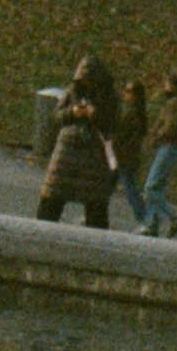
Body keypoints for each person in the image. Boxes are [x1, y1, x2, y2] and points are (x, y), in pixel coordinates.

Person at [37, 53, 117, 226]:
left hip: (94, 153)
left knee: (96, 202)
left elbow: (113, 122)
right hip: (68, 151)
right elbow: (57, 116)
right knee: (52, 196)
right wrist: (73, 113)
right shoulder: (72, 91)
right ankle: (42, 230)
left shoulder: (109, 96)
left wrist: (94, 114)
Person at [140, 71, 177, 237]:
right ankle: (152, 224)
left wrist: (156, 137)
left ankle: (173, 217)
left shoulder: (173, 104)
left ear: (172, 85)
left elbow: (170, 127)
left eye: (166, 83)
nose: (164, 87)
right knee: (158, 187)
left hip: (168, 147)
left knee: (150, 188)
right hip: (171, 147)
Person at [109, 79, 148, 226]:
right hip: (123, 156)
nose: (126, 94)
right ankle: (94, 211)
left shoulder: (132, 113)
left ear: (136, 95)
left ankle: (144, 217)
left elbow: (122, 135)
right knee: (109, 185)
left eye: (129, 91)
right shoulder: (134, 112)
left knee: (129, 188)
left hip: (124, 157)